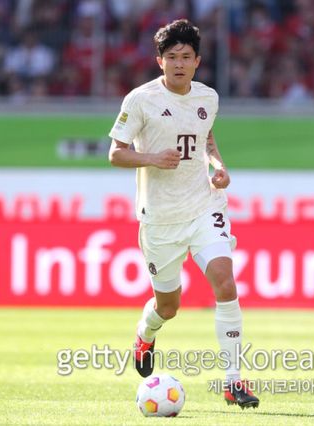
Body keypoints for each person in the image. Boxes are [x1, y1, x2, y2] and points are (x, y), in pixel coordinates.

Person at [108, 19, 259, 409]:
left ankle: (233, 382)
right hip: (160, 219)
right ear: (159, 61)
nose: (179, 63)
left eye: (186, 57)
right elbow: (116, 154)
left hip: (204, 207)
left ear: (197, 61)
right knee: (168, 306)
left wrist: (218, 167)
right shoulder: (140, 100)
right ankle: (146, 334)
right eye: (172, 57)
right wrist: (152, 158)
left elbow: (207, 139)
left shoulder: (208, 97)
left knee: (225, 283)